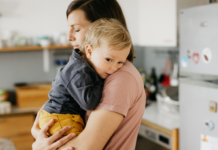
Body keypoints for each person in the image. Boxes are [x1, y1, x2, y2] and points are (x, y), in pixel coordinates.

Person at [31, 0, 146, 150]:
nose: (69, 37)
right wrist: (37, 138)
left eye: (77, 29)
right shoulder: (92, 68)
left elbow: (82, 148)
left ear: (102, 29)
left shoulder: (120, 77)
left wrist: (38, 144)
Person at [36, 18, 132, 137]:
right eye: (108, 59)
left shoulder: (87, 65)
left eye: (120, 62)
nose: (114, 68)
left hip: (62, 116)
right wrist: (101, 81)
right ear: (89, 51)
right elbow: (88, 103)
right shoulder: (78, 71)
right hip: (59, 117)